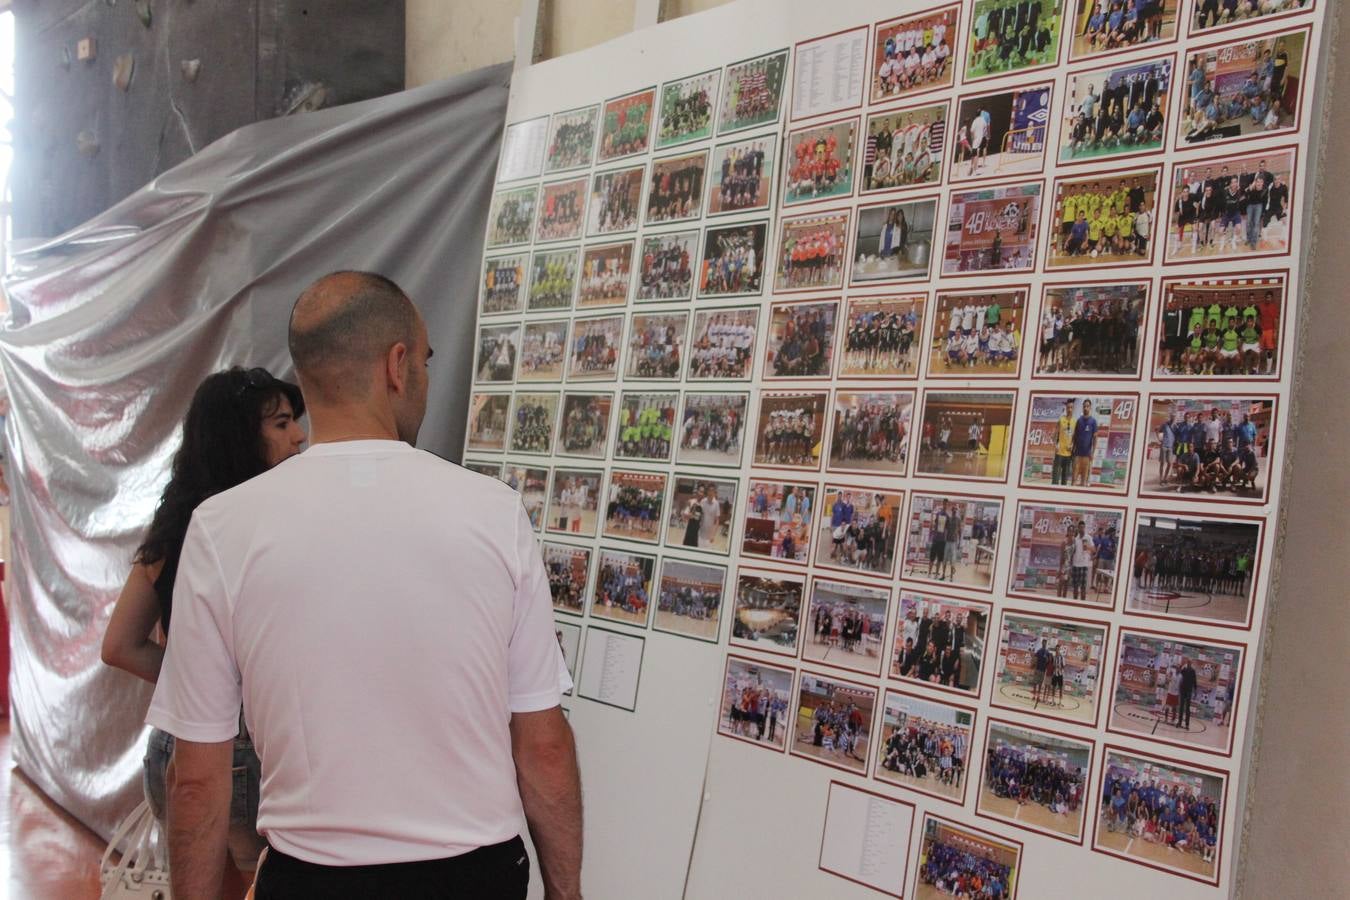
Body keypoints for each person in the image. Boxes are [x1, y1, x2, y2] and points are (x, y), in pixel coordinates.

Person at [146, 273, 582, 899]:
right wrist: (568, 894)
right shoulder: (494, 513)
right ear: (397, 366)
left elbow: (196, 779)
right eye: (426, 360)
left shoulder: (221, 528)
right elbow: (542, 744)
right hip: (474, 876)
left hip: (309, 879)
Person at [102, 366, 308, 889]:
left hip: (173, 746)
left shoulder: (179, 520)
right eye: (282, 423)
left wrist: (195, 680)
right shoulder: (263, 524)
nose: (299, 436)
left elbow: (120, 645)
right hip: (244, 754)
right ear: (240, 433)